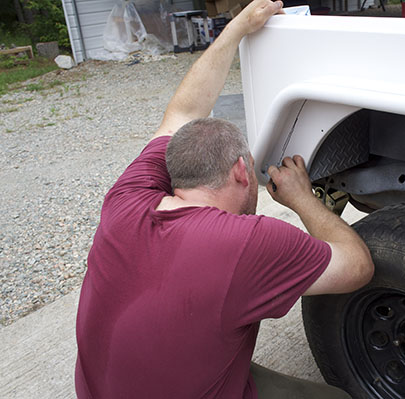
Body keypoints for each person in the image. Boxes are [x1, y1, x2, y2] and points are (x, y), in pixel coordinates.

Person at [74, 0, 374, 397]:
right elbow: (357, 267)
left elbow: (182, 112)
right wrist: (303, 198)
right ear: (239, 170)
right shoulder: (246, 243)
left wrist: (237, 28)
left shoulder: (126, 200)